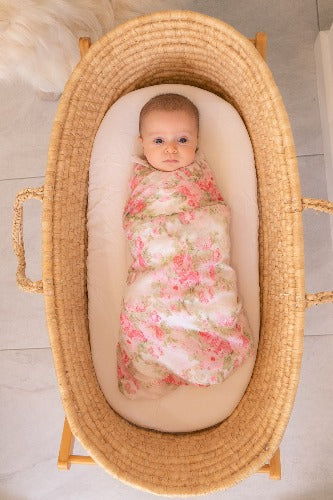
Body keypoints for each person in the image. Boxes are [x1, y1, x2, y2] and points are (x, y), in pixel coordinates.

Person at [116, 93, 254, 400]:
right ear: (142, 143)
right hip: (156, 263)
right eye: (159, 141)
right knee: (143, 305)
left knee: (214, 302)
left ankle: (204, 345)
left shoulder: (200, 174)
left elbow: (214, 213)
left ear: (197, 141)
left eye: (181, 139)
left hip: (200, 260)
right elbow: (135, 221)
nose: (170, 150)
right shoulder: (141, 180)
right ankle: (155, 357)